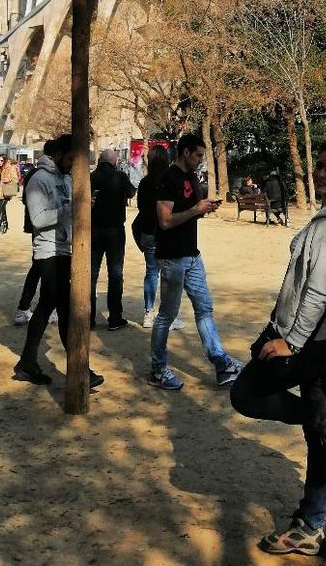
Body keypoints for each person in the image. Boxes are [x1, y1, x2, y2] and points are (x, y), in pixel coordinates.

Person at [230, 141, 326, 556]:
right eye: (319, 166)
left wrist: (291, 341)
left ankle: (323, 416)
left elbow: (319, 291)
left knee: (246, 393)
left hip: (311, 340)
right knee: (320, 434)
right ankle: (312, 523)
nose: (321, 173)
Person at [149, 132, 242, 391]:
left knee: (205, 309)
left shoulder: (190, 176)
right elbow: (165, 221)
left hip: (192, 255)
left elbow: (189, 213)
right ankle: (158, 370)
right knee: (166, 316)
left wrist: (204, 209)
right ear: (186, 152)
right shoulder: (168, 179)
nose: (201, 160)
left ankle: (221, 364)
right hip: (172, 259)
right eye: (199, 155)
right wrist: (195, 210)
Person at [13, 134, 104, 389]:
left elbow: (69, 211)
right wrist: (72, 208)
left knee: (49, 306)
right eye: (72, 158)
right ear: (60, 154)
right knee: (63, 309)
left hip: (64, 250)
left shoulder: (64, 178)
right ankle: (78, 367)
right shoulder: (38, 180)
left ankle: (28, 362)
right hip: (47, 252)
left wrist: (84, 207)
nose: (74, 164)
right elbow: (38, 220)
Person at [89, 148, 134, 330]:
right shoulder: (120, 176)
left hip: (93, 229)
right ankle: (115, 317)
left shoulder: (90, 177)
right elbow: (131, 193)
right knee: (115, 274)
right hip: (115, 230)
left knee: (91, 275)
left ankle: (88, 317)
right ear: (114, 161)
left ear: (100, 161)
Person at [135, 144, 170, 328]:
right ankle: (166, 314)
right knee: (167, 273)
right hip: (166, 233)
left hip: (148, 231)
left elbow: (140, 207)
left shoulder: (145, 182)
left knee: (151, 272)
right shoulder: (168, 181)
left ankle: (149, 311)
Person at [0, 154, 20, 235]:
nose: (0, 162)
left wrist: (6, 179)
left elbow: (16, 179)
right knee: (2, 209)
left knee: (1, 209)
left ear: (5, 160)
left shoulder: (10, 167)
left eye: (2, 160)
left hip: (6, 191)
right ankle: (5, 224)